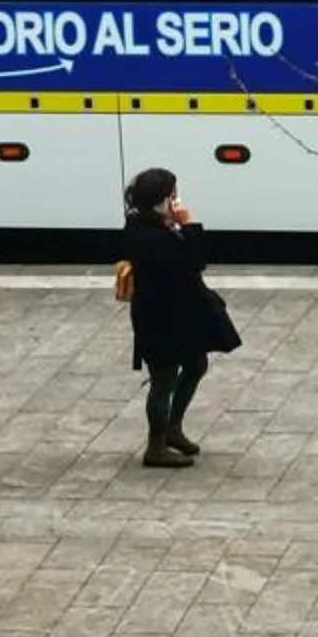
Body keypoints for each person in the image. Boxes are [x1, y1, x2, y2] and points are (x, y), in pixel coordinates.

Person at [116, 167, 237, 468]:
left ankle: (173, 428)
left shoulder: (153, 226)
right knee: (163, 378)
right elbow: (194, 262)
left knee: (196, 364)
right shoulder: (149, 235)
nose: (177, 200)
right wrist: (188, 226)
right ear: (160, 200)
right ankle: (155, 445)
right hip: (160, 316)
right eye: (172, 195)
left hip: (181, 312)